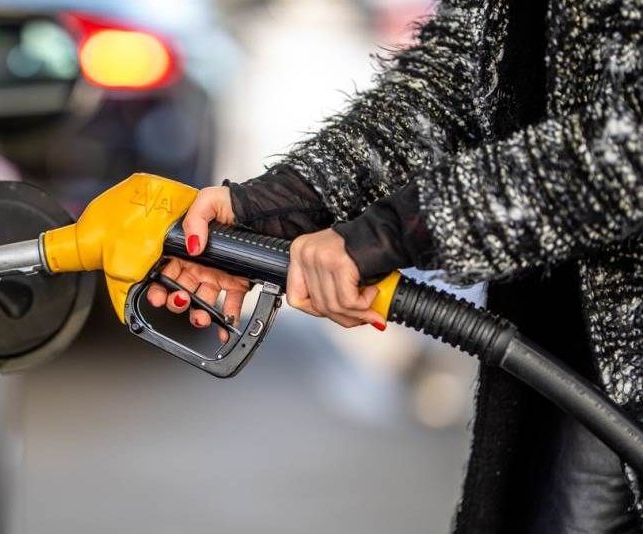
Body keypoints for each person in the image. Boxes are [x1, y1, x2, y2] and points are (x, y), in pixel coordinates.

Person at [146, 0, 642, 532]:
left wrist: (403, 227)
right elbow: (456, 73)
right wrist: (291, 199)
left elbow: (630, 143)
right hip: (568, 359)